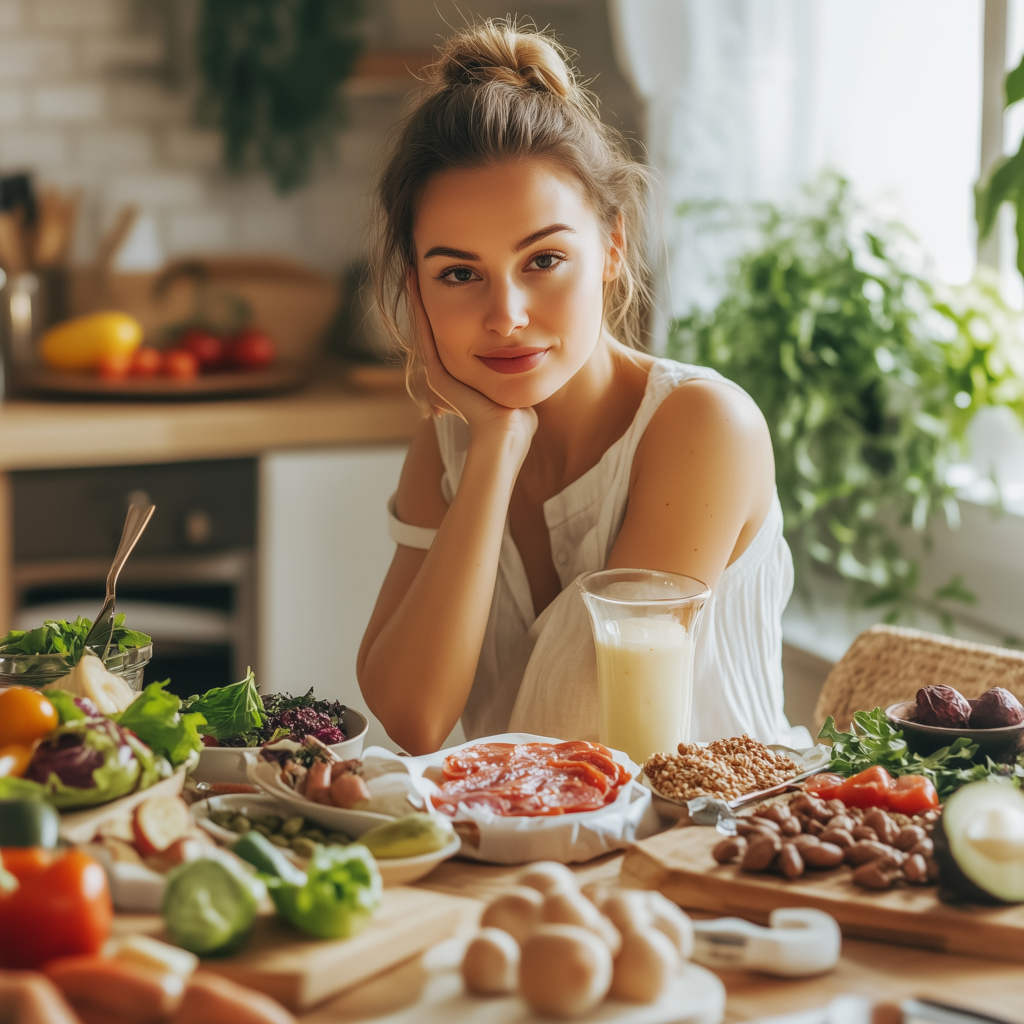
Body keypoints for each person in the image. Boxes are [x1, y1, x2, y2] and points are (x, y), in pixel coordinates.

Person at [357, 20, 795, 756]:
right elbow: (414, 719)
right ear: (417, 289)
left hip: (714, 855)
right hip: (524, 866)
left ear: (613, 249)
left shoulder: (704, 427)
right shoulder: (449, 447)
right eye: (459, 275)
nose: (507, 317)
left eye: (544, 260)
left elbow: (585, 736)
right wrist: (497, 447)